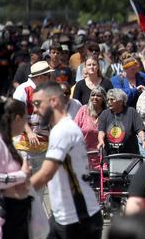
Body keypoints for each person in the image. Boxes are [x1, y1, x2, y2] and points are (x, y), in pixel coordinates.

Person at [30, 82, 102, 239]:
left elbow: (45, 174)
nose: (34, 110)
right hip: (63, 217)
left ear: (53, 101)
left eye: (37, 104)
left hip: (80, 220)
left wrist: (13, 194)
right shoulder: (61, 129)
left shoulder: (63, 130)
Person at [0, 98, 31, 239]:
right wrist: (22, 176)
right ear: (17, 118)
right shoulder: (0, 144)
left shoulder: (9, 143)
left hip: (18, 217)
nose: (26, 124)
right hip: (6, 219)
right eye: (25, 119)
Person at [97, 88, 145, 155]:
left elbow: (139, 130)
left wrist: (144, 141)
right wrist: (101, 141)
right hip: (109, 155)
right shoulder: (104, 114)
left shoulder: (131, 112)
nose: (109, 102)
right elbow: (101, 131)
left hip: (130, 154)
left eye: (112, 99)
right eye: (108, 100)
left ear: (121, 101)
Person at [74, 86, 107, 167]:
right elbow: (74, 130)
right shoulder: (84, 110)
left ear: (103, 98)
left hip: (102, 157)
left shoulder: (107, 113)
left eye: (98, 95)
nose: (95, 97)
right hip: (83, 156)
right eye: (93, 95)